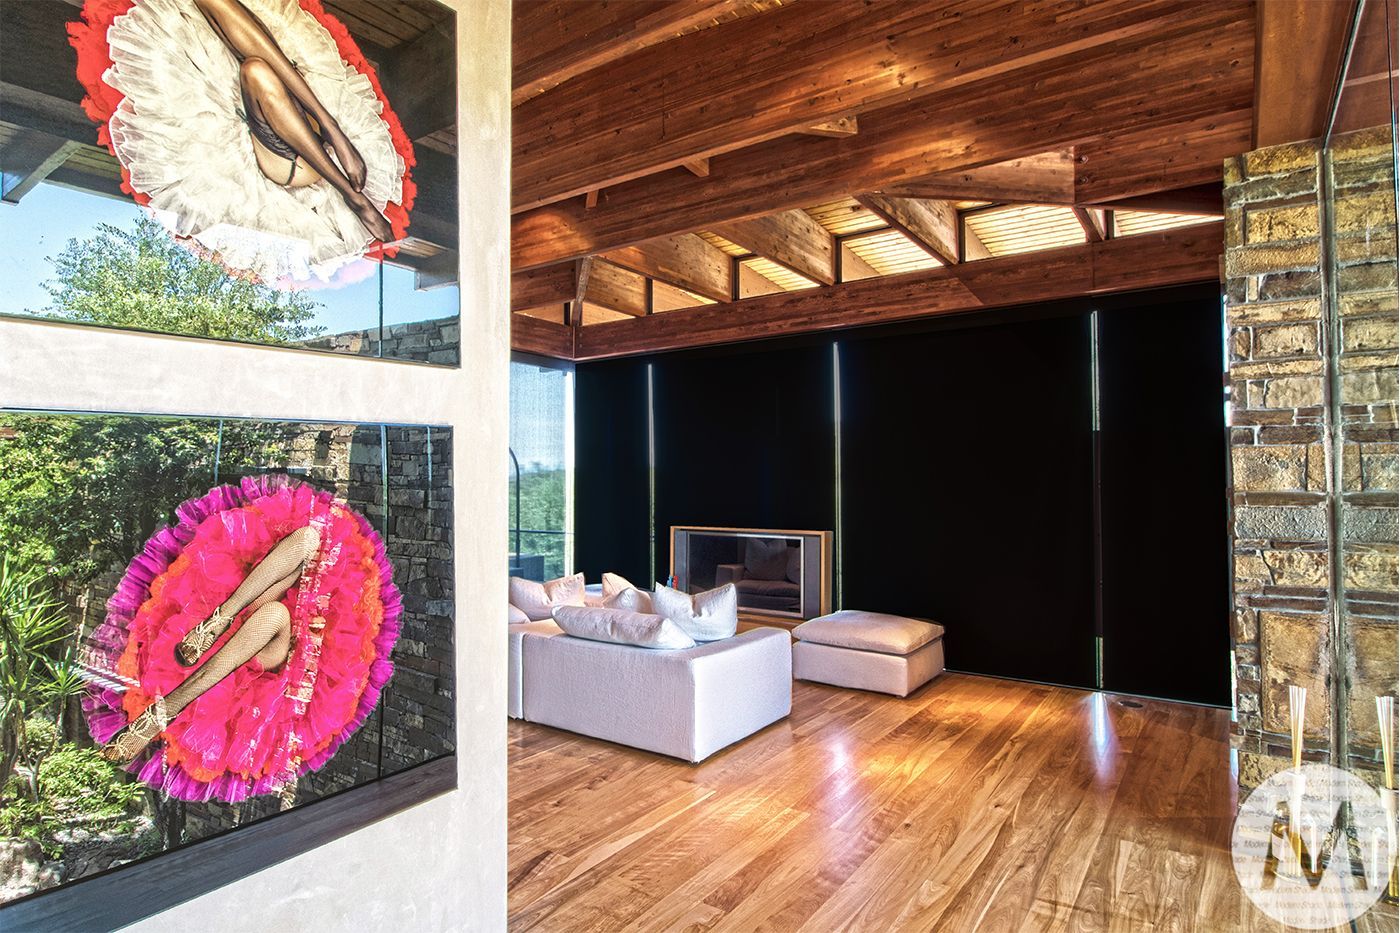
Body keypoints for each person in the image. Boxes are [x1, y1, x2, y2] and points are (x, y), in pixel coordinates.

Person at [101, 524, 321, 763]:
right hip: (250, 603)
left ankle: (165, 710)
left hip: (274, 650)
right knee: (309, 537)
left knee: (275, 613)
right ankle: (220, 619)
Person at [192, 0, 393, 241]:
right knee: (253, 61)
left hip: (296, 165)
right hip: (296, 145)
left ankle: (336, 145)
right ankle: (335, 142)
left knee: (255, 69)